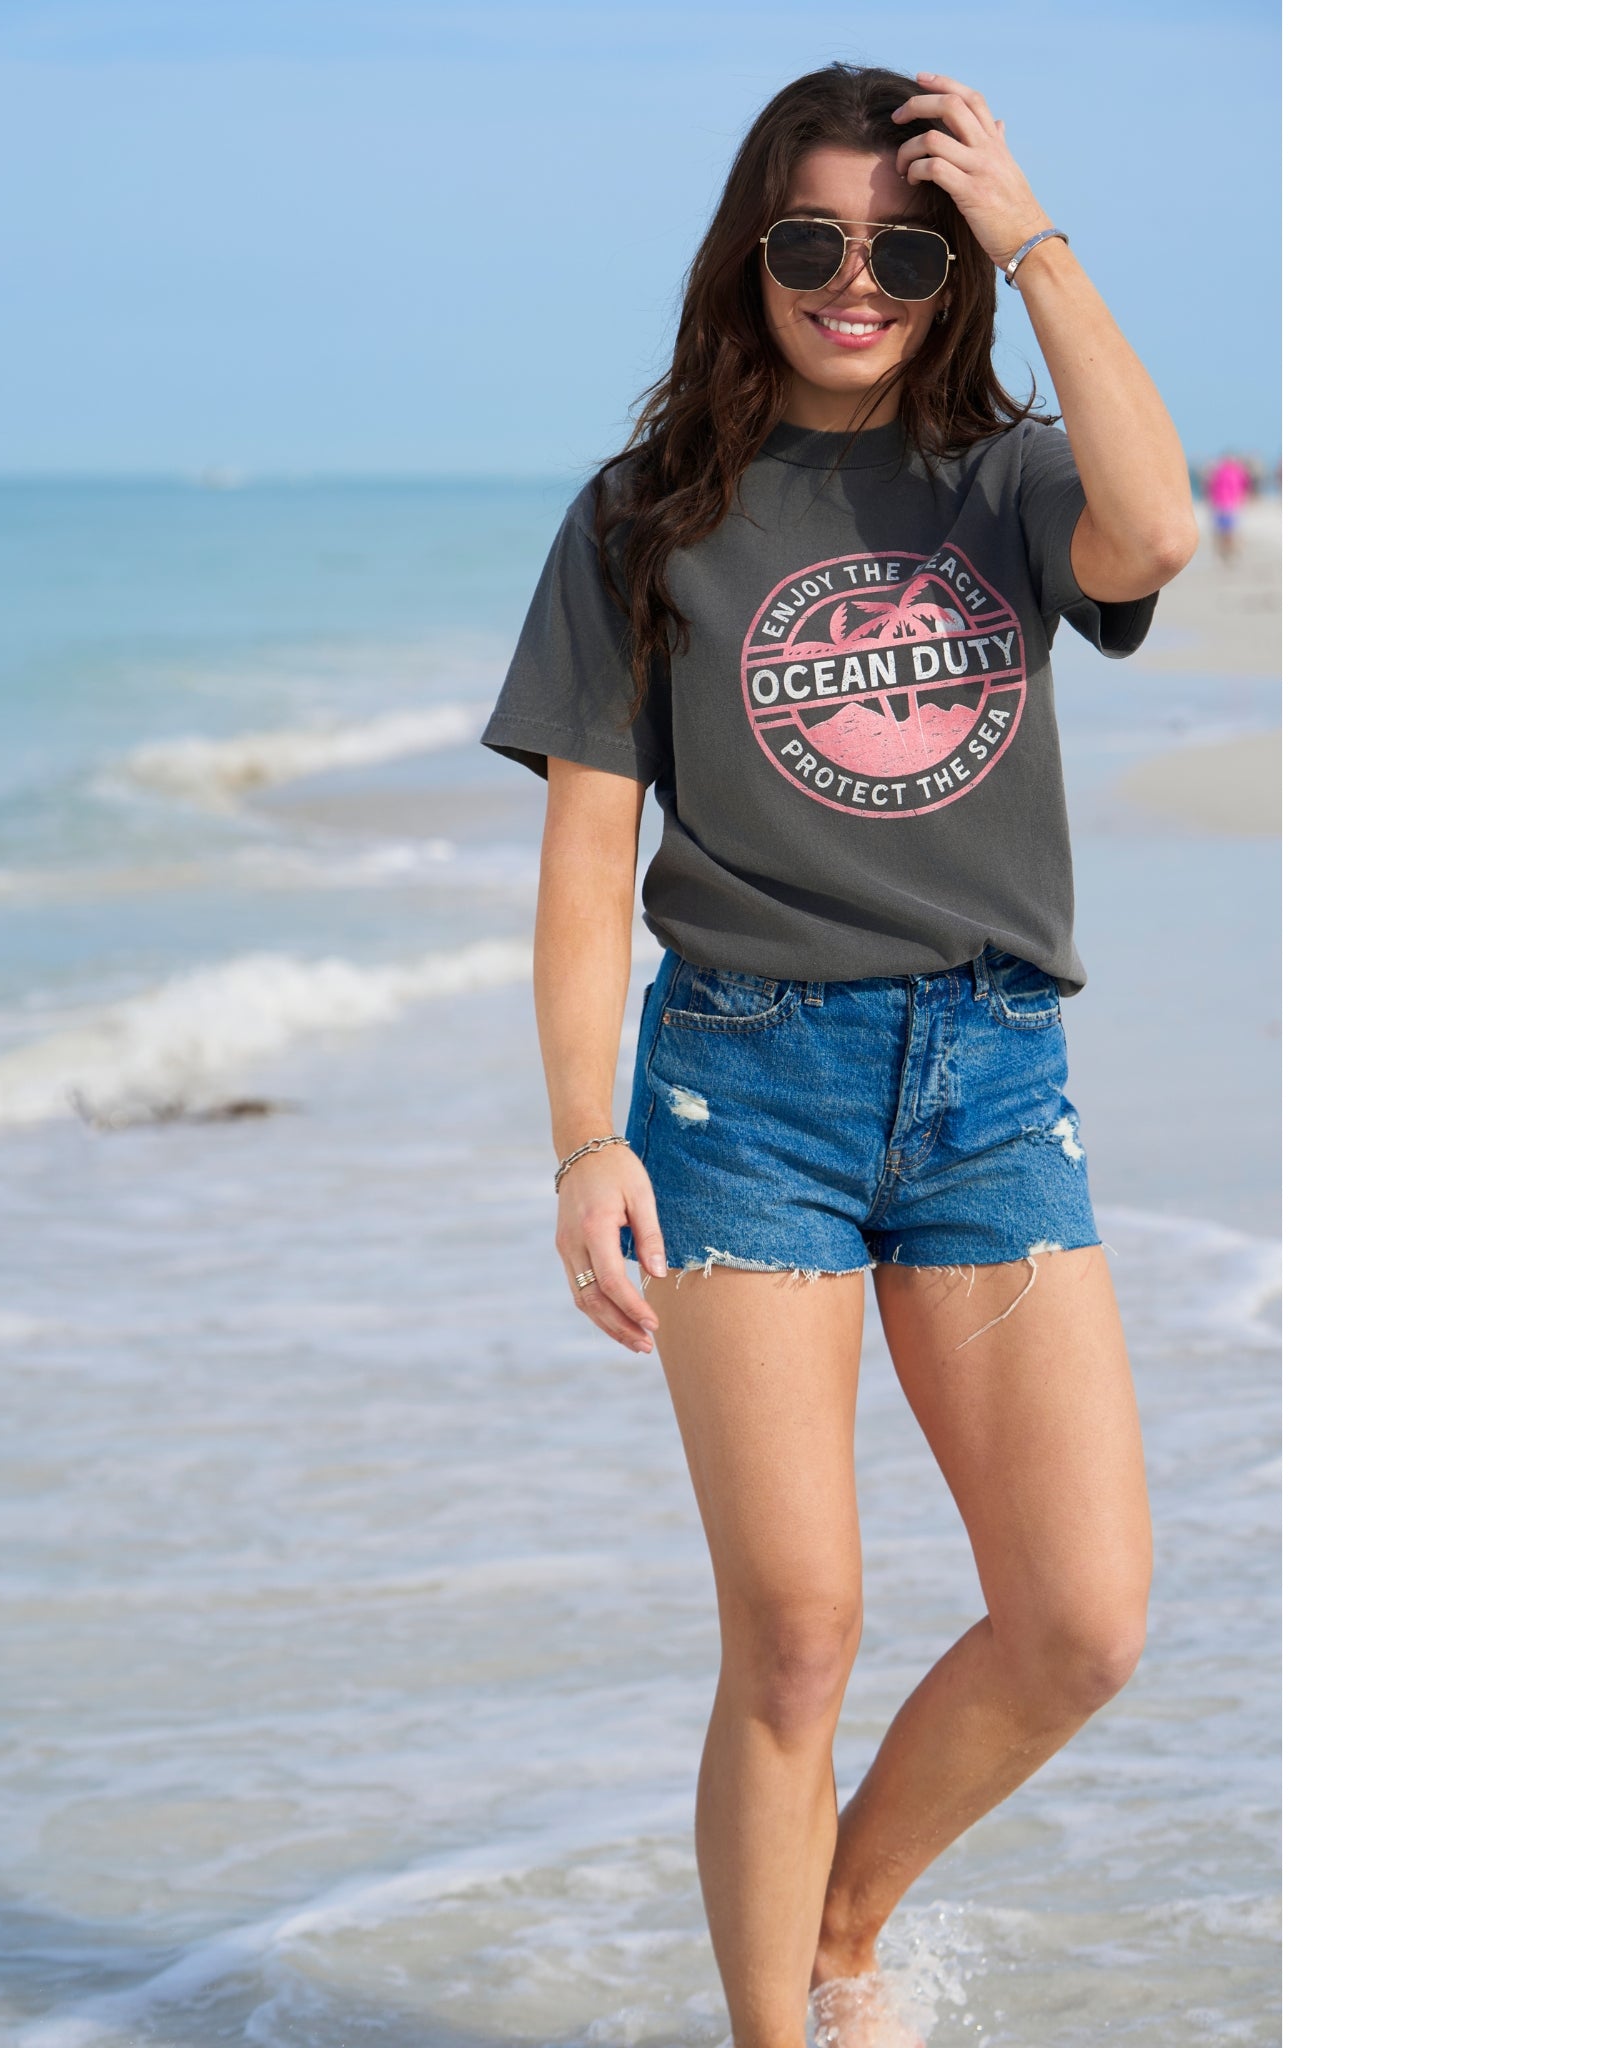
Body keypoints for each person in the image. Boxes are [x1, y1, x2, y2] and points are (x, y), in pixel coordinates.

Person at [481, 63, 1196, 2048]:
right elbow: (583, 863)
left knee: (1080, 1620)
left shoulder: (1006, 482)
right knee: (795, 1633)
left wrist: (1028, 235)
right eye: (811, 241)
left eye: (904, 250)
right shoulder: (646, 516)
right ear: (752, 255)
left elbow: (1157, 527)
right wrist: (581, 1142)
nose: (854, 282)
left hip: (989, 1081)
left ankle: (845, 1914)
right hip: (741, 1090)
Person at [1205, 451, 1252, 562]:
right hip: (1224, 503)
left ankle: (1228, 551)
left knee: (1228, 530)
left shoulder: (1226, 471)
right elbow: (1245, 486)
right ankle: (1226, 551)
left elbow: (1245, 486)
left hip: (1228, 503)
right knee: (1226, 530)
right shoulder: (1230, 471)